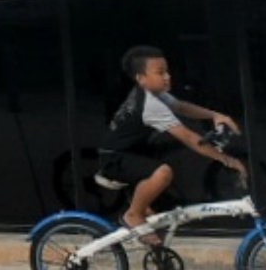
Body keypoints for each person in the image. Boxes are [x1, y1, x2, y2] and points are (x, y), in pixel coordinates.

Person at [99, 45, 242, 240]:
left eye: (167, 71)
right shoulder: (151, 105)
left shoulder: (155, 94)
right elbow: (189, 137)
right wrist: (226, 159)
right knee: (164, 172)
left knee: (155, 229)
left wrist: (215, 115)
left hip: (135, 152)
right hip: (115, 159)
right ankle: (133, 214)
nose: (167, 76)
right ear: (141, 78)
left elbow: (181, 107)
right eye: (160, 73)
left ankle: (162, 263)